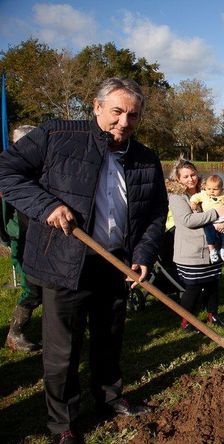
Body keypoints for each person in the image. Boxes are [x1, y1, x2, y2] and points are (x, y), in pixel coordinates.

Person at [0, 77, 168, 443]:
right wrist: (46, 206)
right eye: (117, 112)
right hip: (64, 263)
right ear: (96, 107)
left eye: (133, 115)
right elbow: (6, 172)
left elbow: (155, 211)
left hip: (116, 264)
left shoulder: (145, 159)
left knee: (109, 339)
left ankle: (109, 398)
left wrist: (143, 255)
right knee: (63, 352)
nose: (124, 122)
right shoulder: (56, 136)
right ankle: (63, 425)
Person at [167, 159, 224, 332]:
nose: (190, 179)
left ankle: (213, 315)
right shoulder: (176, 196)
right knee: (193, 287)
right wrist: (215, 213)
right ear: (178, 179)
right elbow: (188, 220)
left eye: (192, 174)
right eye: (185, 176)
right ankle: (187, 322)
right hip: (191, 252)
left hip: (211, 248)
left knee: (213, 284)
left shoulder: (207, 190)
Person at [3, 125, 43, 352]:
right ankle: (15, 333)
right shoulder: (11, 173)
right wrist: (10, 239)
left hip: (41, 237)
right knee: (33, 288)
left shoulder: (40, 169)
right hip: (23, 238)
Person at [189, 174, 224, 263]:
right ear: (205, 187)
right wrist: (193, 203)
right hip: (210, 220)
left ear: (221, 190)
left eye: (215, 189)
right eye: (209, 189)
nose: (212, 191)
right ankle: (212, 250)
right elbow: (195, 197)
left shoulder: (223, 197)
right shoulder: (204, 195)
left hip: (221, 219)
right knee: (209, 233)